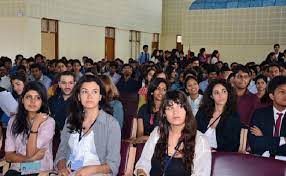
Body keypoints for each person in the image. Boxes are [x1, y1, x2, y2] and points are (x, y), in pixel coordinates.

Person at [55, 75, 121, 176]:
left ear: (100, 97)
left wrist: (88, 170)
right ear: (78, 96)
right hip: (70, 171)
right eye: (85, 92)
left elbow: (113, 164)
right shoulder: (70, 120)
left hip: (97, 172)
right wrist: (62, 168)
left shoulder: (111, 124)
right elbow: (62, 151)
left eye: (94, 92)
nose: (89, 96)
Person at [135, 90, 211, 176]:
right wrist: (141, 173)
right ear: (164, 113)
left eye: (180, 106)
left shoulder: (200, 140)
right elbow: (143, 163)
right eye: (170, 108)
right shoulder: (157, 133)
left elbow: (201, 173)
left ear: (187, 110)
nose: (175, 112)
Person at [5, 81, 55, 175]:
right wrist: (29, 159)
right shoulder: (13, 121)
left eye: (37, 98)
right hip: (17, 168)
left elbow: (30, 152)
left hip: (39, 169)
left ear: (42, 102)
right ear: (23, 100)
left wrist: (36, 124)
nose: (33, 101)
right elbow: (8, 156)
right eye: (29, 97)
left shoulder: (48, 122)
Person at [196, 79, 242, 152]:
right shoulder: (202, 112)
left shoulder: (233, 116)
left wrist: (215, 151)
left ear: (228, 93)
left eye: (224, 91)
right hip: (200, 153)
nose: (221, 95)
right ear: (211, 96)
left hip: (222, 158)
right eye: (216, 93)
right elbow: (194, 134)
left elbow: (233, 144)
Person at [249, 76, 286, 157]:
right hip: (263, 163)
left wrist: (264, 138)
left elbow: (261, 144)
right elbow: (255, 145)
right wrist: (283, 139)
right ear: (272, 96)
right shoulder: (259, 114)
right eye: (282, 92)